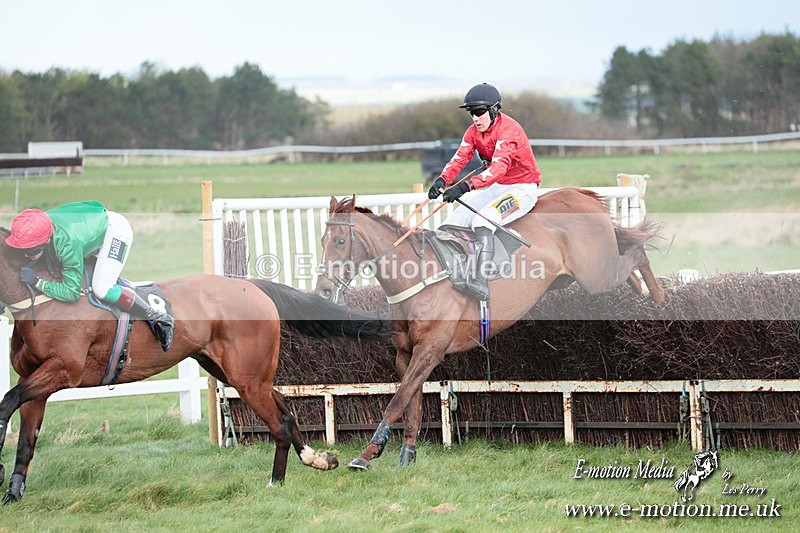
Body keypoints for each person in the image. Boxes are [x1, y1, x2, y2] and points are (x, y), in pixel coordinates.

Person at [5, 200, 174, 351]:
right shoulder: (37, 225)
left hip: (114, 233)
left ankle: (157, 317)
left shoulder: (68, 245)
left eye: (31, 250)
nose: (27, 255)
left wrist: (37, 282)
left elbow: (71, 293)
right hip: (89, 227)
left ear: (46, 241)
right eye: (23, 250)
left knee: (102, 288)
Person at [428, 82, 542, 300]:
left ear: (494, 110)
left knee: (482, 220)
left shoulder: (509, 130)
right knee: (455, 219)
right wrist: (442, 180)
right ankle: (455, 270)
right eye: (472, 113)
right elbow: (460, 158)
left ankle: (481, 280)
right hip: (497, 188)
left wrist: (464, 186)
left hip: (522, 189)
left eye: (480, 112)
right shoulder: (472, 132)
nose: (475, 118)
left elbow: (498, 168)